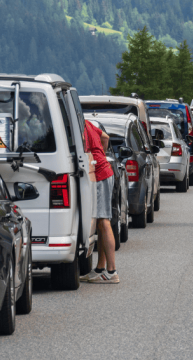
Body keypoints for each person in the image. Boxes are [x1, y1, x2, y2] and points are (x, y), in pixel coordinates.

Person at [81, 120, 118, 284]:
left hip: (99, 174)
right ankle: (100, 269)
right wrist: (101, 154)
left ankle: (112, 271)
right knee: (101, 220)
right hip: (104, 169)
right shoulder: (86, 122)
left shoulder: (79, 125)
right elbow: (106, 137)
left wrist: (95, 158)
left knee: (103, 221)